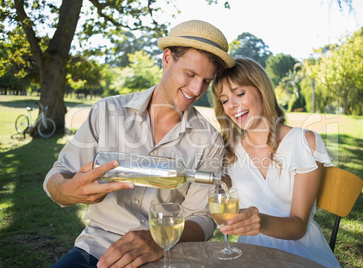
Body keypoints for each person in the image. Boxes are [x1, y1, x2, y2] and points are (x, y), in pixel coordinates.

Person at [44, 20, 235, 268]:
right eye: (190, 74)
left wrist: (160, 238)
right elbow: (59, 173)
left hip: (165, 254)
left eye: (207, 81)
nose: (197, 89)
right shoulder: (108, 111)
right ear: (167, 58)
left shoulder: (209, 140)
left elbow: (204, 219)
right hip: (97, 249)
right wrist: (69, 189)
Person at [211, 58, 341, 267]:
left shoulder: (304, 142)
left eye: (240, 93)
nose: (232, 106)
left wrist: (260, 221)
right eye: (224, 100)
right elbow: (214, 191)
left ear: (261, 90)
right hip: (250, 256)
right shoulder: (229, 151)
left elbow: (299, 226)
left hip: (302, 254)